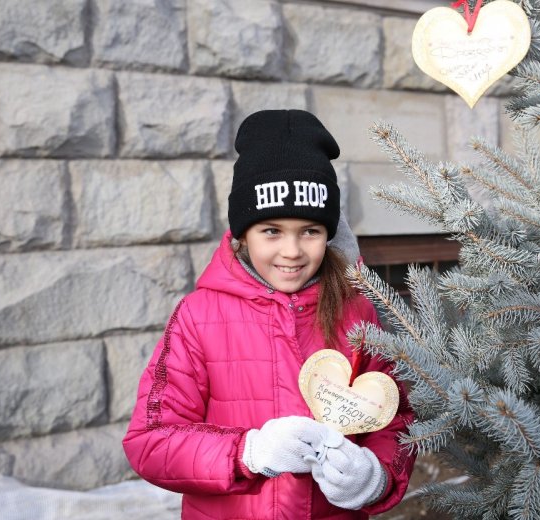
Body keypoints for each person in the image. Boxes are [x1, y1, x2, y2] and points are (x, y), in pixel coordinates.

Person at [122, 109, 415, 519]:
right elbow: (151, 441)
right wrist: (249, 452)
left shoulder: (356, 310)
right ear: (244, 233)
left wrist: (376, 476)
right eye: (271, 231)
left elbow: (394, 417)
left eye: (310, 231)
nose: (292, 251)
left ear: (328, 234)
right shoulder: (198, 317)